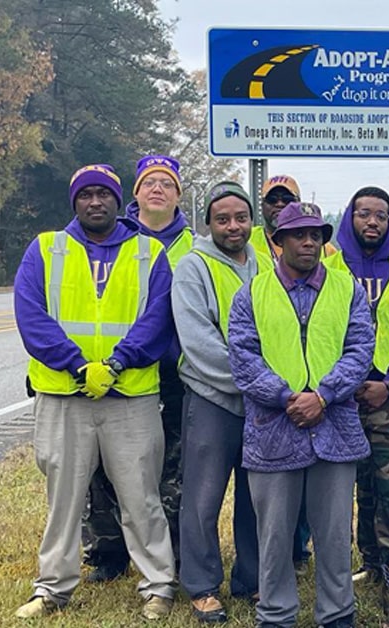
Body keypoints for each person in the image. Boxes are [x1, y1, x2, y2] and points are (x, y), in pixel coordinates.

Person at [12, 164, 177, 620]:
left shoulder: (149, 253)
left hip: (130, 395)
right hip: (65, 394)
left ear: (118, 200)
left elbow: (158, 318)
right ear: (74, 201)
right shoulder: (46, 249)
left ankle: (158, 584)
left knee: (141, 495)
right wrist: (78, 365)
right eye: (86, 195)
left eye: (104, 194)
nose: (95, 202)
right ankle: (52, 587)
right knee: (63, 498)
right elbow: (32, 317)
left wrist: (120, 361)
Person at [228, 201, 374, 628]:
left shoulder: (348, 290)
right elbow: (243, 357)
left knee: (333, 536)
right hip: (273, 426)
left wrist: (323, 396)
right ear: (277, 242)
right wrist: (286, 397)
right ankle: (275, 615)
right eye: (298, 234)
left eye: (316, 235)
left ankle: (337, 614)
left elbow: (360, 350)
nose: (309, 242)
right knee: (273, 535)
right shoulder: (251, 293)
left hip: (334, 427)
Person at [322, 186, 389, 627]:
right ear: (350, 217)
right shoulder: (328, 268)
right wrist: (340, 384)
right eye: (364, 214)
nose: (372, 222)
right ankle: (361, 565)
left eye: (381, 216)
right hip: (339, 399)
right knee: (347, 489)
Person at [84, 154, 190, 582]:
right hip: (115, 372)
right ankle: (109, 552)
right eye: (150, 182)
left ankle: (174, 553)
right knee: (103, 466)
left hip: (176, 374)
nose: (158, 189)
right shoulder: (113, 238)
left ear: (178, 194)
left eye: (167, 183)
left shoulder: (197, 246)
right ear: (136, 193)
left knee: (173, 470)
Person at [171, 181, 260, 623]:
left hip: (260, 404)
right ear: (208, 223)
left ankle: (253, 578)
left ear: (251, 221)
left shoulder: (261, 265)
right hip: (212, 398)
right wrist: (253, 380)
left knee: (258, 495)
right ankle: (202, 585)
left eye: (240, 218)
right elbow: (198, 340)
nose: (232, 226)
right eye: (222, 219)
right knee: (203, 498)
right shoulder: (193, 267)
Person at [246, 173, 316, 567]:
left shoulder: (327, 255)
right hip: (270, 395)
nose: (277, 205)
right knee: (269, 491)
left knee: (312, 488)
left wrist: (320, 395)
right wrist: (282, 394)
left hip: (319, 396)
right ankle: (268, 561)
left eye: (285, 198)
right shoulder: (251, 247)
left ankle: (300, 550)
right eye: (271, 199)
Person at [249, 174, 336, 274]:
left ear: (299, 203)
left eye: (287, 199)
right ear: (262, 206)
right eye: (272, 200)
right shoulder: (248, 240)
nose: (279, 204)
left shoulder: (325, 248)